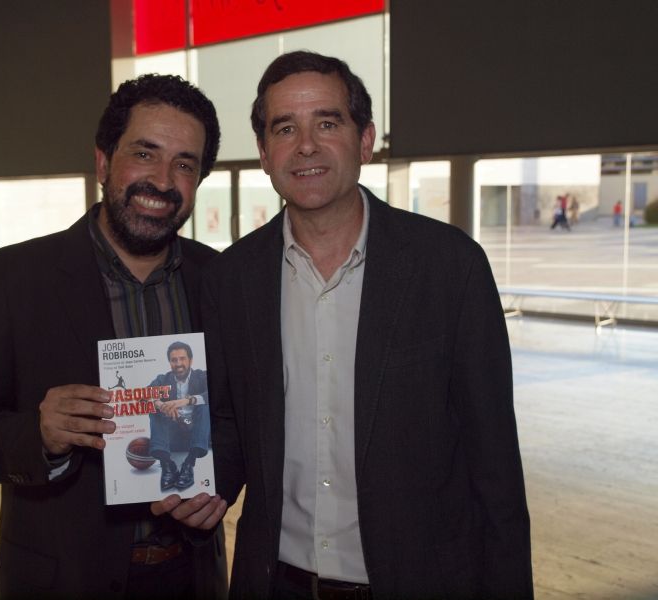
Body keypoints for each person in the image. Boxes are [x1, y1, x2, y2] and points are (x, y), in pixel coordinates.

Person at [198, 51, 533, 598]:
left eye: (327, 122)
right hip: (277, 582)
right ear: (263, 153)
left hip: (419, 580)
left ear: (365, 139)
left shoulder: (450, 267)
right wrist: (196, 481)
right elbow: (235, 421)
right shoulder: (231, 278)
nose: (306, 145)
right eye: (286, 128)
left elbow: (494, 464)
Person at [0, 74, 227, 599]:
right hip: (61, 581)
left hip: (191, 577)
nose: (163, 181)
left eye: (184, 164)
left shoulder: (221, 280)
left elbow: (237, 420)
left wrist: (220, 483)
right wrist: (41, 436)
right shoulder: (10, 279)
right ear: (103, 162)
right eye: (145, 153)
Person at [148, 341, 211, 491]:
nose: (178, 363)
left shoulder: (201, 376)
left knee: (204, 406)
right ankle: (167, 465)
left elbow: (215, 392)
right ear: (170, 362)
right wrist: (162, 406)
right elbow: (146, 395)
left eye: (182, 358)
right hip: (172, 438)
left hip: (197, 436)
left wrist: (188, 400)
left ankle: (189, 464)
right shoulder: (162, 379)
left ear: (190, 360)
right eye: (174, 360)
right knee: (154, 408)